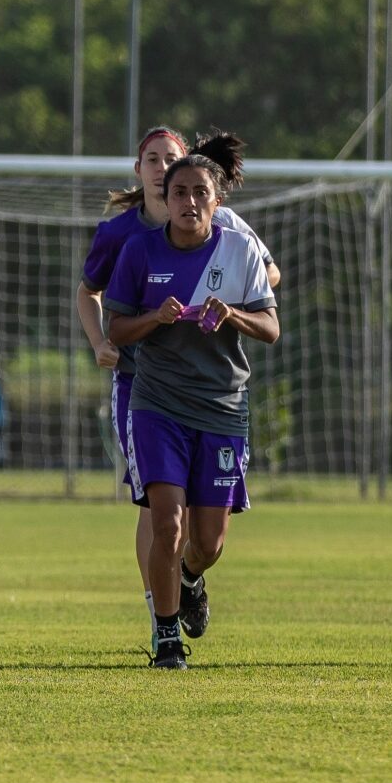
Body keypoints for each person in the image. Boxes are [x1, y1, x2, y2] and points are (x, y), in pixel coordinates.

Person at [77, 127, 280, 633]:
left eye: (172, 159)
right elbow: (95, 300)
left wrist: (231, 306)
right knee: (162, 514)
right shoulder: (126, 239)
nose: (165, 170)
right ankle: (161, 622)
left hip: (220, 401)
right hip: (146, 390)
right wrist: (106, 343)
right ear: (144, 172)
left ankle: (188, 579)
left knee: (206, 539)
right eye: (155, 160)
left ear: (214, 195)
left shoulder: (231, 234)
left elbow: (268, 301)